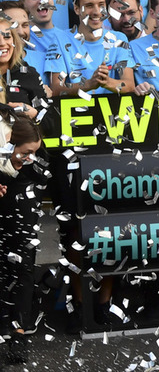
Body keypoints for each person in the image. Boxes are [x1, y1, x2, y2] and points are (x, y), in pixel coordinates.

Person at [0, 111, 45, 364]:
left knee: (23, 269)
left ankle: (19, 334)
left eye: (34, 152)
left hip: (23, 214)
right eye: (25, 152)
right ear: (8, 143)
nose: (29, 158)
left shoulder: (33, 167)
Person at [47, 0, 135, 96]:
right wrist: (89, 84)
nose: (97, 12)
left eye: (101, 5)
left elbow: (129, 85)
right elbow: (56, 89)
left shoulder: (119, 38)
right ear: (76, 9)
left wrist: (106, 82)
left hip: (112, 111)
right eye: (89, 5)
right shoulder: (60, 39)